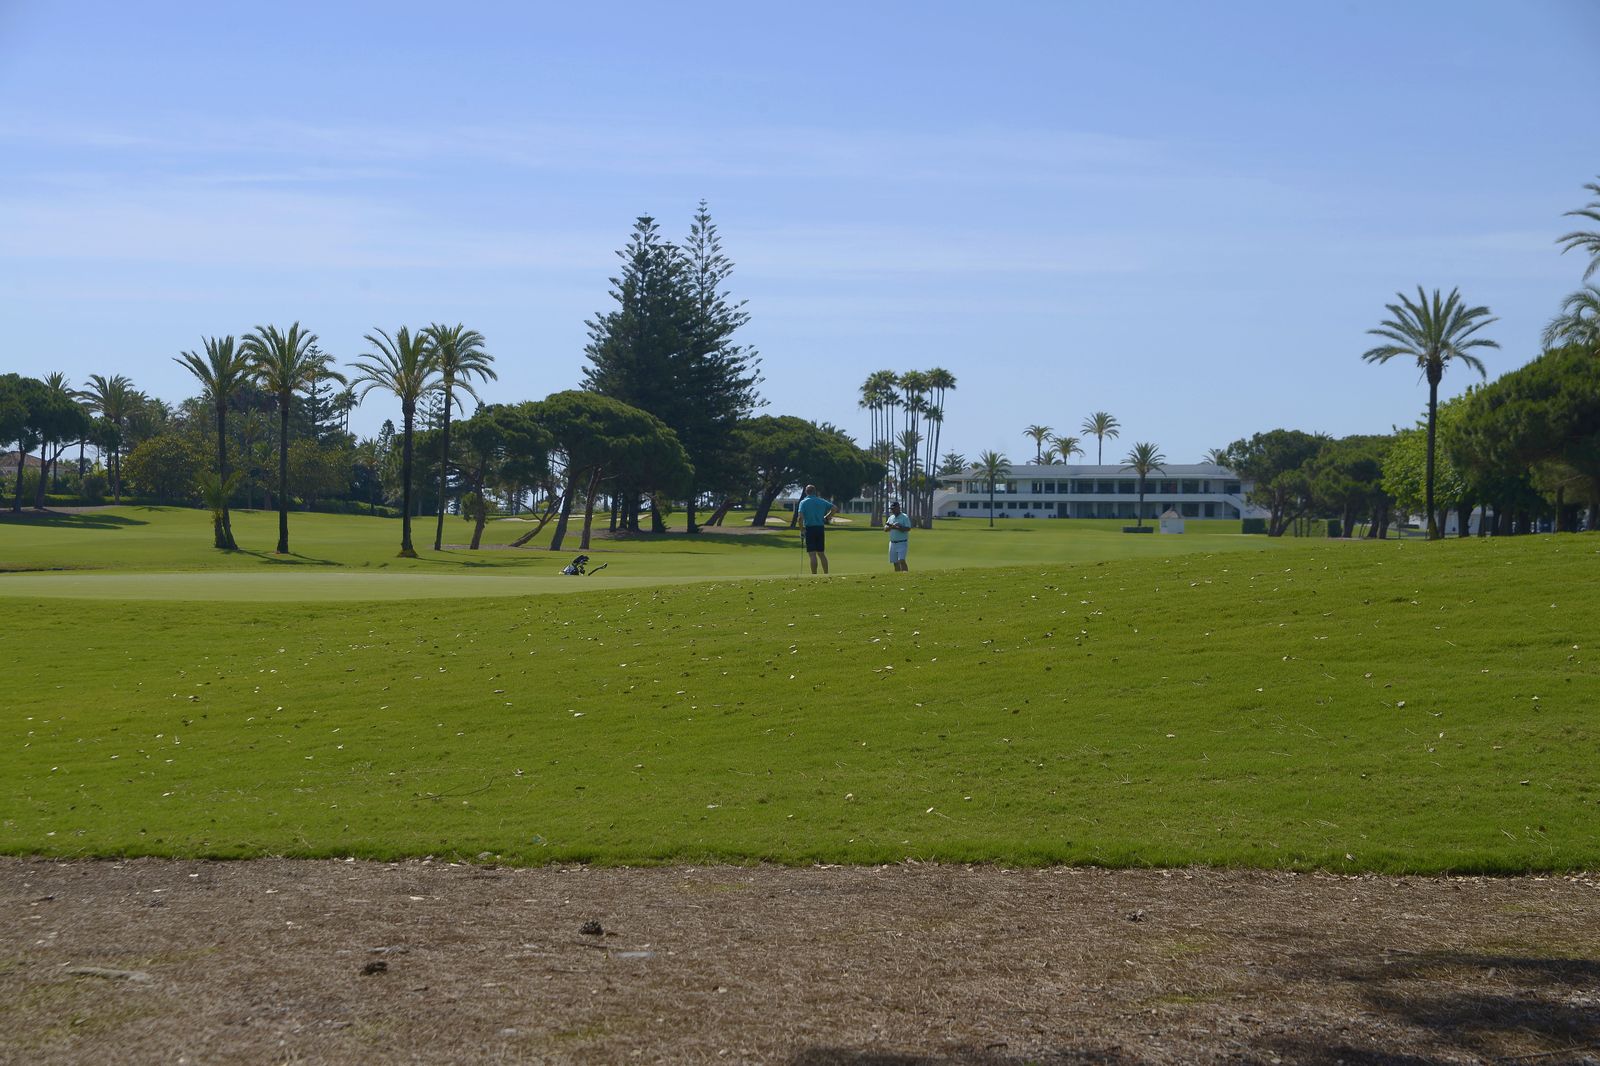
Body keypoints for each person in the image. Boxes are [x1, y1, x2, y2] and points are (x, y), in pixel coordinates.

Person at [795, 484, 835, 574]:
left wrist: (802, 530)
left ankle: (814, 575)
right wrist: (827, 517)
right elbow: (834, 508)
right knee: (821, 553)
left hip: (810, 529)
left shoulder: (803, 502)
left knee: (812, 554)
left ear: (806, 492)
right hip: (820, 528)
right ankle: (826, 574)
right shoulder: (821, 501)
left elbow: (800, 518)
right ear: (815, 492)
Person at [885, 500, 910, 572]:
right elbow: (885, 529)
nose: (892, 510)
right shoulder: (891, 518)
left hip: (902, 542)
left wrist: (898, 527)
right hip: (892, 543)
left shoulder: (904, 517)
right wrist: (891, 527)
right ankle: (898, 577)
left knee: (901, 560)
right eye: (891, 509)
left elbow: (908, 528)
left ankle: (905, 575)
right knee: (895, 562)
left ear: (898, 508)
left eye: (894, 508)